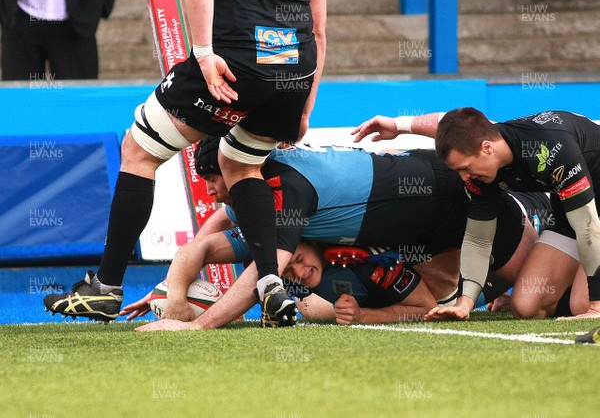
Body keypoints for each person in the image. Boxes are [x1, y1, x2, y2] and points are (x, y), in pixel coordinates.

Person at [43, 0, 327, 327]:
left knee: (139, 151)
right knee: (242, 166)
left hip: (239, 50)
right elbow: (319, 28)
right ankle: (270, 285)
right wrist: (306, 107)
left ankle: (105, 288)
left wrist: (204, 53)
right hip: (295, 62)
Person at [122, 138, 586, 330]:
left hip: (451, 203)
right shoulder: (266, 185)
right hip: (425, 218)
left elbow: (271, 267)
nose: (217, 195)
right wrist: (172, 292)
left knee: (536, 299)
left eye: (216, 184)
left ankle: (562, 230)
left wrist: (197, 328)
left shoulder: (284, 189)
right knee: (509, 296)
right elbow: (213, 232)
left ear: (232, 167)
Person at [352, 109, 599, 322]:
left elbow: (588, 226)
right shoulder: (485, 153)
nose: (463, 177)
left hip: (589, 216)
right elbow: (479, 240)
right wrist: (465, 303)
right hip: (571, 211)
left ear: (487, 148)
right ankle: (579, 276)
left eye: (465, 169)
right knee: (526, 307)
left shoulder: (549, 147)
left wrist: (595, 305)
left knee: (584, 304)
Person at [0, 0, 115, 80]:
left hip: (76, 16)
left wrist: (100, 3)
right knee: (22, 102)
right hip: (19, 13)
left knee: (76, 101)